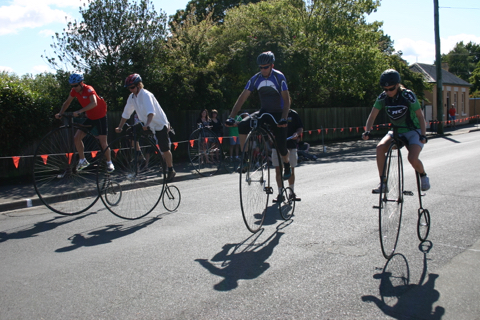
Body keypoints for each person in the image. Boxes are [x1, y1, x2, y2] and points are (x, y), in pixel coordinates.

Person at [225, 51, 292, 180]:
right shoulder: (256, 78)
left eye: (265, 67)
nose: (263, 70)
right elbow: (242, 98)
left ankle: (287, 164)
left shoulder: (279, 77)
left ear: (272, 65)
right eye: (260, 67)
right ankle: (245, 159)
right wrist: (231, 116)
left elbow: (287, 100)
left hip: (278, 113)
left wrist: (284, 117)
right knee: (243, 125)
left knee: (281, 146)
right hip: (264, 111)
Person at [362, 69, 430, 192]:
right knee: (380, 148)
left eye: (391, 89)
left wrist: (423, 135)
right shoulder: (383, 97)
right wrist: (367, 131)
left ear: (398, 85)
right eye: (385, 89)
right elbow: (372, 116)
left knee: (412, 158)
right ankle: (383, 183)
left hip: (413, 130)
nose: (388, 92)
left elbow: (420, 116)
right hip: (396, 130)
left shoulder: (408, 95)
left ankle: (423, 175)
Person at [115, 73, 176, 182]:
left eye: (132, 87)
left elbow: (151, 113)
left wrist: (147, 125)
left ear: (139, 85)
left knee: (164, 148)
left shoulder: (146, 95)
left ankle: (171, 169)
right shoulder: (132, 97)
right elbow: (126, 113)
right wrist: (120, 127)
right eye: (129, 88)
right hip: (146, 123)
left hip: (159, 124)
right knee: (130, 132)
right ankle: (139, 155)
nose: (130, 90)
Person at [55, 73, 114, 173]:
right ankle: (82, 160)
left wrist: (80, 111)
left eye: (76, 85)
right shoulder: (74, 91)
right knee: (76, 138)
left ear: (81, 83)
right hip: (90, 117)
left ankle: (109, 162)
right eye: (72, 86)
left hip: (100, 118)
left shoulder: (89, 89)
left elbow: (94, 103)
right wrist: (61, 113)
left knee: (103, 143)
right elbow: (67, 102)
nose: (74, 88)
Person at [272, 109, 303, 202]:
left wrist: (296, 134)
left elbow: (300, 128)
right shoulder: (275, 113)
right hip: (277, 147)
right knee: (278, 170)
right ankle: (280, 194)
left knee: (291, 169)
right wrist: (271, 137)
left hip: (291, 145)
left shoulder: (293, 114)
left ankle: (291, 193)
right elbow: (269, 129)